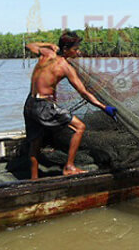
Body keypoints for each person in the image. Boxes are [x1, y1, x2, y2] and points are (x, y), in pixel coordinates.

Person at [23, 30, 117, 179]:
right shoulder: (65, 67)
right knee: (79, 127)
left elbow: (29, 45)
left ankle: (34, 180)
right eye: (75, 49)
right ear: (66, 50)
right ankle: (69, 166)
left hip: (29, 104)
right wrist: (104, 107)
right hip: (44, 107)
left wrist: (48, 44)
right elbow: (84, 93)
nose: (78, 52)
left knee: (35, 144)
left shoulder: (46, 53)